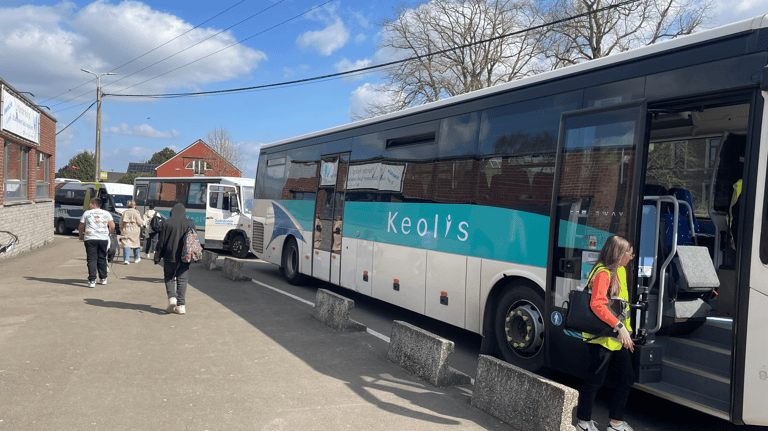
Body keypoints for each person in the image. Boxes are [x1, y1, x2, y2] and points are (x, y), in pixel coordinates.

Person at [576, 234, 636, 431]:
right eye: (629, 253)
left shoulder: (619, 271)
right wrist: (620, 327)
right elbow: (598, 305)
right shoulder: (604, 273)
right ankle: (583, 422)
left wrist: (623, 331)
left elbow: (620, 304)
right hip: (602, 336)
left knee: (627, 377)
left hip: (616, 337)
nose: (632, 256)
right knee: (595, 379)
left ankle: (615, 423)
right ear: (619, 254)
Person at [154, 202, 196, 315]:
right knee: (182, 280)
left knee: (169, 277)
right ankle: (181, 306)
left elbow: (161, 242)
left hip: (169, 256)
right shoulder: (190, 223)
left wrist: (157, 256)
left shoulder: (167, 223)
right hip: (185, 257)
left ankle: (172, 298)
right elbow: (193, 239)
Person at [78, 198, 115, 288]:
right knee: (102, 258)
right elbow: (112, 225)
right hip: (103, 238)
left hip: (90, 238)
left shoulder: (87, 213)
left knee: (91, 259)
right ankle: (103, 278)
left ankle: (92, 280)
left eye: (90, 203)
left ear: (94, 204)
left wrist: (81, 235)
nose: (89, 205)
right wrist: (109, 233)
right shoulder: (106, 213)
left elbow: (81, 225)